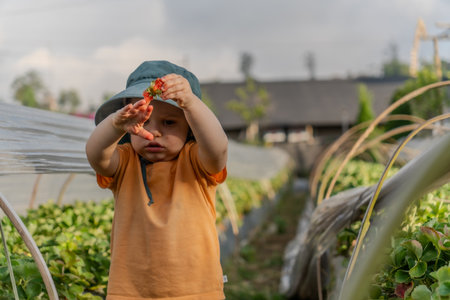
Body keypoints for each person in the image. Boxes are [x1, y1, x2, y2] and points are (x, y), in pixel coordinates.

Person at [86, 60, 228, 300]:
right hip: (130, 292)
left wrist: (191, 103)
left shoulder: (196, 162)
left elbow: (218, 150)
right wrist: (116, 124)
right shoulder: (125, 162)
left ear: (190, 127)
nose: (154, 132)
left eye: (169, 122)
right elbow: (95, 155)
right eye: (142, 121)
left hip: (196, 292)